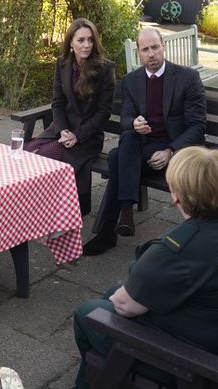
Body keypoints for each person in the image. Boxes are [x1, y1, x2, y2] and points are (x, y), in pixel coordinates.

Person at [56, 147, 218, 389]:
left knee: (90, 313)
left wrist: (124, 292)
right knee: (111, 295)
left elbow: (125, 305)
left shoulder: (178, 249)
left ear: (178, 196)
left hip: (192, 358)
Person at [82, 27, 207, 256]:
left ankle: (111, 227)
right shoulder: (132, 80)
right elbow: (126, 118)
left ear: (164, 47)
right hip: (142, 145)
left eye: (155, 47)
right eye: (145, 49)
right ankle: (126, 209)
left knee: (116, 157)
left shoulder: (187, 78)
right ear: (139, 53)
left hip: (172, 146)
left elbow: (198, 126)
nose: (151, 54)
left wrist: (171, 150)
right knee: (129, 136)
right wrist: (134, 122)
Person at [24, 18, 116, 215]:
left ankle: (56, 209)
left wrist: (77, 136)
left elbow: (103, 113)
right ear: (71, 43)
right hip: (62, 130)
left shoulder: (105, 69)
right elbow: (57, 102)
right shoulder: (62, 63)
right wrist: (63, 130)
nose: (87, 45)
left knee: (45, 157)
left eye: (90, 40)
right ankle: (39, 205)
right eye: (81, 40)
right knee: (27, 152)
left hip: (87, 137)